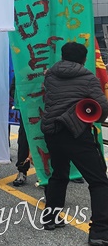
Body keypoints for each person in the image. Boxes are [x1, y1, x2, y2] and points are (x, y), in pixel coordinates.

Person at [41, 42, 108, 242]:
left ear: (63, 56)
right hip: (76, 133)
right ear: (83, 59)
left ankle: (50, 218)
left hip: (52, 131)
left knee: (59, 174)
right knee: (98, 181)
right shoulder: (88, 78)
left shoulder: (50, 75)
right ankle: (100, 232)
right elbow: (102, 107)